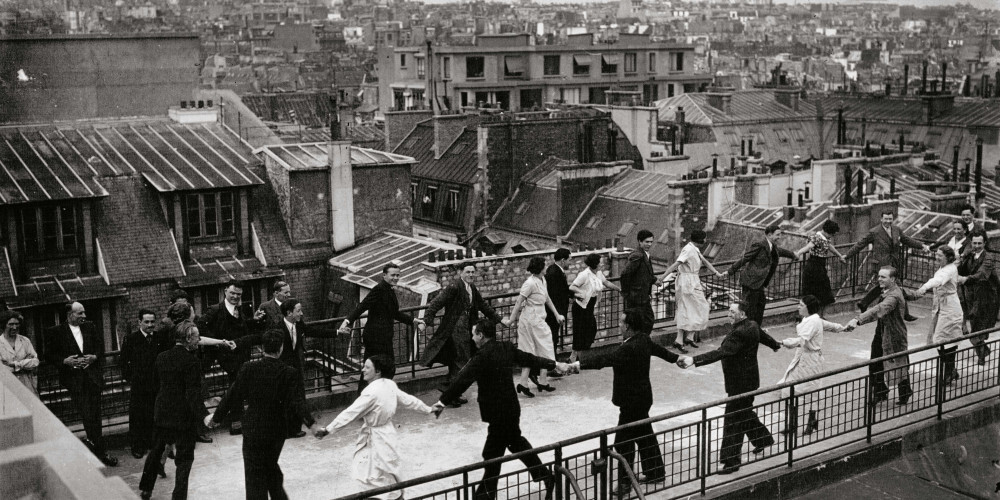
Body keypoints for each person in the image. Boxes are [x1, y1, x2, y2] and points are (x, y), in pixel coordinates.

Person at [433, 318, 570, 500]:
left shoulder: (481, 357)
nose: (472, 338)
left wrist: (442, 402)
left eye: (474, 334)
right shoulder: (506, 348)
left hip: (497, 414)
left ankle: (486, 495)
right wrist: (554, 364)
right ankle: (544, 477)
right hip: (511, 409)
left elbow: (462, 380)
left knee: (492, 454)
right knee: (515, 444)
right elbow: (529, 359)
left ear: (481, 335)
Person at [569, 308, 680, 496]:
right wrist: (677, 358)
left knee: (623, 443)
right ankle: (655, 471)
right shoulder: (643, 339)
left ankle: (624, 483)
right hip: (643, 398)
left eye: (621, 322)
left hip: (631, 402)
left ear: (628, 327)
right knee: (645, 434)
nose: (619, 325)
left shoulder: (629, 348)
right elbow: (661, 351)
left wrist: (578, 365)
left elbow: (605, 359)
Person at [207, 330, 318, 500]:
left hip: (253, 429)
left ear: (262, 348)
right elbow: (297, 403)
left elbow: (232, 395)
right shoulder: (289, 372)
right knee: (270, 467)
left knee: (255, 477)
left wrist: (216, 418)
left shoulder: (248, 368)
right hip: (277, 431)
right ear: (280, 348)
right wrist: (312, 424)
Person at [677, 301, 781, 474]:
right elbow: (762, 335)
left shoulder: (739, 333)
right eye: (729, 311)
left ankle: (731, 461)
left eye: (733, 312)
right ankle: (763, 440)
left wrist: (693, 360)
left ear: (743, 314)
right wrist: (775, 345)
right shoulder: (752, 325)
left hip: (739, 383)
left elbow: (720, 352)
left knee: (733, 420)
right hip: (750, 380)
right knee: (744, 412)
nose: (729, 314)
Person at [316, 354, 434, 499]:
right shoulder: (389, 384)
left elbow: (350, 413)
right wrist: (428, 409)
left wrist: (328, 429)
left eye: (367, 367)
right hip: (387, 434)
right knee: (387, 470)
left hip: (376, 438)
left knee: (372, 474)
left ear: (377, 371)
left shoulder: (371, 393)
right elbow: (408, 400)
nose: (363, 370)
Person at [138, 321, 209, 500]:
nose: (199, 340)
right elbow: (193, 394)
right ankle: (179, 497)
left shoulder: (161, 357)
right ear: (187, 338)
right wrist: (204, 416)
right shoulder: (192, 362)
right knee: (184, 459)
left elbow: (155, 384)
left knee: (156, 451)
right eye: (196, 336)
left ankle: (146, 489)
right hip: (183, 417)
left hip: (162, 412)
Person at [422, 263, 508, 407]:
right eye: (467, 272)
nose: (470, 275)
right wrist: (427, 320)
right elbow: (436, 303)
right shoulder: (454, 287)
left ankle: (452, 392)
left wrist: (499, 320)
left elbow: (482, 305)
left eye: (472, 272)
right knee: (461, 361)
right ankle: (449, 392)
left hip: (467, 329)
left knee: (460, 361)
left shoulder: (471, 288)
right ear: (460, 272)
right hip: (456, 329)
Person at [44, 302, 117, 466]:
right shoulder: (56, 332)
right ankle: (98, 451)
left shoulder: (90, 327)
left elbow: (100, 347)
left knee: (95, 415)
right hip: (75, 381)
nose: (84, 316)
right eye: (80, 313)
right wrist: (64, 361)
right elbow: (48, 355)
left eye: (84, 313)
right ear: (70, 315)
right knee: (87, 415)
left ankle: (98, 451)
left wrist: (94, 357)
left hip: (92, 379)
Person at [198, 280, 266, 435]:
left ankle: (237, 421)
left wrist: (253, 321)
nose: (235, 296)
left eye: (239, 294)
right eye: (233, 293)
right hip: (227, 357)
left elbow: (240, 327)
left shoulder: (238, 309)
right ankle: (235, 422)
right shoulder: (215, 309)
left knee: (237, 387)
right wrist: (218, 342)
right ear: (225, 291)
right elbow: (201, 326)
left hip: (240, 354)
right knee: (236, 387)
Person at [777, 296, 848, 437]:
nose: (798, 307)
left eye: (801, 305)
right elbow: (829, 325)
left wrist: (783, 342)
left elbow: (801, 341)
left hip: (809, 360)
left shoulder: (811, 322)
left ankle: (803, 423)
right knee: (800, 390)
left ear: (808, 307)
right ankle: (801, 423)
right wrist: (843, 328)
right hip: (808, 358)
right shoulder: (814, 319)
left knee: (802, 390)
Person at [339, 263, 425, 374]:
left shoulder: (389, 289)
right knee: (375, 369)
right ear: (384, 275)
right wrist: (347, 321)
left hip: (383, 337)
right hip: (375, 338)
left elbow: (393, 313)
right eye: (393, 275)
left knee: (379, 368)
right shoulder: (379, 289)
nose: (396, 278)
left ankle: (372, 389)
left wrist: (413, 320)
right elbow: (362, 306)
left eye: (398, 275)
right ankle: (367, 389)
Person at [846, 266, 914, 406]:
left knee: (899, 363)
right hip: (882, 330)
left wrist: (858, 319)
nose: (879, 279)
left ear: (893, 279)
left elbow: (879, 309)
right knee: (875, 362)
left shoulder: (894, 295)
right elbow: (910, 293)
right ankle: (880, 391)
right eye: (878, 276)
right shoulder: (892, 289)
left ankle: (904, 391)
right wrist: (921, 291)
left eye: (883, 277)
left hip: (894, 334)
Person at [844, 211, 930, 319]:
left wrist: (921, 246)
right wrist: (847, 255)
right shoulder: (874, 232)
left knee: (884, 286)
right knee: (897, 286)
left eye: (890, 219)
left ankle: (864, 303)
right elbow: (860, 244)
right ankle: (906, 314)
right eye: (886, 219)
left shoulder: (896, 229)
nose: (888, 221)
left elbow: (907, 240)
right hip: (881, 265)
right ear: (881, 219)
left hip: (893, 264)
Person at [276, 298, 338, 437]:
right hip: (283, 369)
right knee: (286, 399)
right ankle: (286, 429)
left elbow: (315, 331)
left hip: (297, 367)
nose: (301, 313)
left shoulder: (299, 325)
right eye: (298, 311)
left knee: (299, 397)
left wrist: (337, 332)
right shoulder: (277, 327)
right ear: (289, 313)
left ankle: (295, 428)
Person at [721, 224, 796, 328]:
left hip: (759, 283)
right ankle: (746, 331)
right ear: (769, 235)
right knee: (749, 310)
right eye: (778, 235)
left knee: (760, 306)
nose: (779, 237)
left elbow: (780, 251)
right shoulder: (759, 245)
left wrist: (793, 254)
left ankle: (755, 329)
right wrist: (730, 271)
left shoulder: (771, 246)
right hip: (751, 283)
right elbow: (745, 258)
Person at [510, 256, 565, 397]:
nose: (546, 268)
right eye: (544, 266)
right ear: (540, 268)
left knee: (539, 350)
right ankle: (535, 381)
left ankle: (533, 382)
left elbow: (547, 299)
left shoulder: (542, 280)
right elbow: (518, 302)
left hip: (538, 319)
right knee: (536, 349)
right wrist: (511, 319)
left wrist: (557, 314)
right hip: (530, 320)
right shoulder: (530, 283)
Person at [659, 229, 723, 350]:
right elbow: (675, 264)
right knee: (690, 308)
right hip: (687, 282)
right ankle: (680, 340)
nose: (705, 240)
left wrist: (716, 273)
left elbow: (705, 261)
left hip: (692, 281)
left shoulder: (694, 248)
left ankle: (688, 337)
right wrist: (662, 278)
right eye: (704, 238)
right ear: (700, 239)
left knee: (695, 308)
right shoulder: (688, 250)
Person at [914, 246, 964, 385]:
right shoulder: (944, 268)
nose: (937, 257)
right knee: (942, 339)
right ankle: (951, 370)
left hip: (950, 309)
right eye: (937, 255)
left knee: (946, 340)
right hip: (942, 307)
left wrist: (924, 287)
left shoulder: (949, 269)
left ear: (948, 257)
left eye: (940, 255)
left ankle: (949, 372)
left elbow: (937, 280)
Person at [120, 309, 161, 458]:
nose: (150, 325)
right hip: (140, 386)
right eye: (147, 322)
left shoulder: (159, 338)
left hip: (157, 385)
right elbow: (123, 363)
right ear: (139, 322)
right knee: (138, 416)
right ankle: (137, 446)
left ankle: (155, 444)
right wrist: (132, 379)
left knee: (155, 414)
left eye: (152, 322)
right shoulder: (131, 339)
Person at [568, 254, 620, 362]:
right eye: (599, 262)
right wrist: (581, 293)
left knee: (591, 328)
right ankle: (573, 356)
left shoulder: (599, 273)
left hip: (590, 305)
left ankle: (579, 353)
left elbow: (606, 283)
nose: (601, 264)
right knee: (579, 331)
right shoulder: (584, 274)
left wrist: (618, 289)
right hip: (580, 306)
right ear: (595, 264)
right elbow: (572, 287)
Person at [957, 231, 997, 365]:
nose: (977, 246)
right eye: (974, 243)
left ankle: (981, 353)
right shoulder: (970, 255)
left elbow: (982, 275)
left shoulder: (989, 258)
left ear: (984, 243)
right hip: (971, 296)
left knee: (976, 326)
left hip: (986, 297)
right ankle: (983, 350)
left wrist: (965, 279)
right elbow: (961, 270)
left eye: (980, 243)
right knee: (974, 325)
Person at [794, 220, 847, 313]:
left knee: (822, 291)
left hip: (818, 266)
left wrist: (840, 256)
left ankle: (818, 315)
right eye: (832, 234)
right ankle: (813, 315)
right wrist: (798, 253)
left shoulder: (824, 237)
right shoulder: (817, 237)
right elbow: (808, 247)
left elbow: (830, 247)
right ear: (828, 232)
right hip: (814, 267)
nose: (832, 236)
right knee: (818, 291)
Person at [620, 230, 657, 332]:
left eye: (651, 242)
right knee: (642, 323)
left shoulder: (644, 254)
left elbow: (644, 273)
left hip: (643, 296)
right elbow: (625, 275)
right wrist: (627, 294)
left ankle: (642, 343)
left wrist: (654, 280)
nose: (649, 244)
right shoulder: (638, 255)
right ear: (640, 242)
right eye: (646, 242)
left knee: (646, 321)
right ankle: (640, 344)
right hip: (636, 298)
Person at [0, 310, 39, 396]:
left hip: (27, 383)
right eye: (11, 324)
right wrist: (25, 362)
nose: (14, 327)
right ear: (4, 325)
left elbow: (35, 362)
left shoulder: (25, 341)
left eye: (17, 324)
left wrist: (15, 364)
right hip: (7, 385)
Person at [544, 248, 571, 362]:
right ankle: (552, 363)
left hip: (555, 312)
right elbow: (554, 296)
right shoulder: (555, 273)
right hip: (554, 313)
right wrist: (558, 314)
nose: (570, 262)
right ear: (563, 260)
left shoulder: (554, 270)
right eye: (569, 260)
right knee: (552, 337)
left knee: (553, 337)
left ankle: (553, 361)